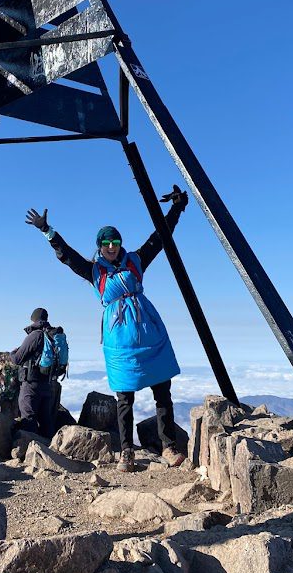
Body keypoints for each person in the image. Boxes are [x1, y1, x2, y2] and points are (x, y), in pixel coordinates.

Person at [25, 186, 189, 472]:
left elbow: (159, 237)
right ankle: (126, 452)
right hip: (119, 340)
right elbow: (67, 256)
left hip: (150, 332)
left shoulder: (136, 260)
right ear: (99, 246)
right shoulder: (94, 271)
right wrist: (47, 231)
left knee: (163, 390)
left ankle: (169, 445)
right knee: (124, 397)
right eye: (106, 242)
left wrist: (176, 208)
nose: (112, 246)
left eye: (115, 240)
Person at [11, 307, 57, 438]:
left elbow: (17, 358)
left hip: (31, 384)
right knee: (45, 419)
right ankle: (51, 450)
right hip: (47, 383)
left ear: (34, 319)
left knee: (28, 417)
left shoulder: (35, 335)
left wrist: (12, 352)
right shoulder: (52, 335)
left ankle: (30, 450)